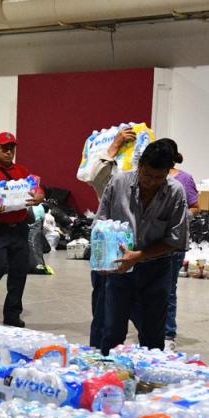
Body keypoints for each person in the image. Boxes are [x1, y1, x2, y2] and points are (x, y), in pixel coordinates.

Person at [97, 141, 189, 354]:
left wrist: (139, 256)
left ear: (168, 172)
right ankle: (110, 379)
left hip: (156, 272)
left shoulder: (175, 192)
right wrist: (104, 258)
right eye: (147, 175)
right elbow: (101, 222)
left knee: (152, 335)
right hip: (119, 269)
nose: (152, 182)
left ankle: (148, 380)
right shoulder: (119, 182)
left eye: (159, 177)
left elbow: (176, 240)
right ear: (140, 166)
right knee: (112, 331)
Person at [0, 131, 45, 327]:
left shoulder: (22, 170)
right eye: (4, 147)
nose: (8, 151)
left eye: (11, 147)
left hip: (19, 228)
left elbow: (37, 189)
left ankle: (12, 314)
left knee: (19, 272)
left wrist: (39, 196)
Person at [85, 127, 136, 350]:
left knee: (136, 311)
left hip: (142, 253)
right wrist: (114, 146)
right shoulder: (113, 177)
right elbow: (94, 175)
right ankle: (100, 354)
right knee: (105, 310)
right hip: (110, 248)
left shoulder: (150, 177)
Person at [154, 138, 199, 351]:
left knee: (168, 290)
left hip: (174, 244)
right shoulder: (148, 176)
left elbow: (195, 207)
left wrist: (180, 217)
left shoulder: (184, 179)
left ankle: (168, 334)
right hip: (150, 242)